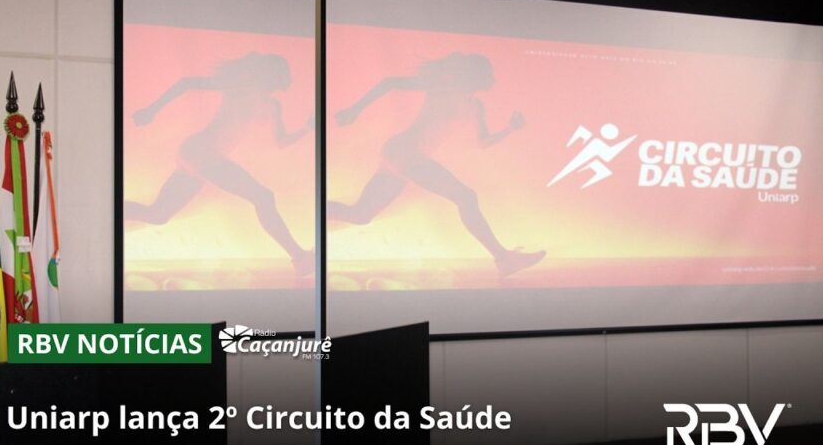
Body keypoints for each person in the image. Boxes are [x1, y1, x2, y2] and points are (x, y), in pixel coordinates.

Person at [329, 52, 545, 278]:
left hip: (406, 156)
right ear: (474, 75)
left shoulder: (476, 106)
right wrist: (355, 109)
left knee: (361, 215)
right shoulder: (442, 89)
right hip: (405, 152)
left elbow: (483, 142)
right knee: (466, 197)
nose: (492, 78)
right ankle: (503, 258)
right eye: (487, 73)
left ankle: (318, 213)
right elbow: (390, 82)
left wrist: (510, 129)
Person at [126, 52, 314, 276]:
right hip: (202, 152)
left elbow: (281, 142)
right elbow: (187, 83)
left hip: (204, 157)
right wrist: (152, 110)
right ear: (273, 74)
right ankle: (300, 258)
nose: (290, 79)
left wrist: (307, 128)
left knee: (158, 215)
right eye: (285, 73)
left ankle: (109, 212)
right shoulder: (240, 87)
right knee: (263, 197)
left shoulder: (273, 105)